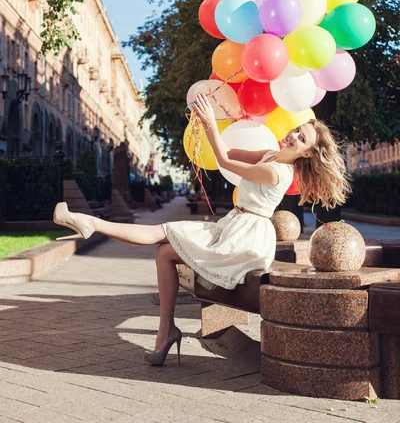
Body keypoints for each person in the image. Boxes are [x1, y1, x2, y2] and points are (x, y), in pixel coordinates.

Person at [53, 93, 351, 367]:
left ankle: (92, 224)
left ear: (308, 153)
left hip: (246, 241)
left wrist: (210, 125)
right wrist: (213, 123)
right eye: (297, 129)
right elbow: (229, 150)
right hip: (234, 227)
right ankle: (166, 330)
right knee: (164, 252)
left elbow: (224, 161)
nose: (293, 135)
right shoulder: (269, 155)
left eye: (302, 138)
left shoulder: (277, 172)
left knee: (164, 233)